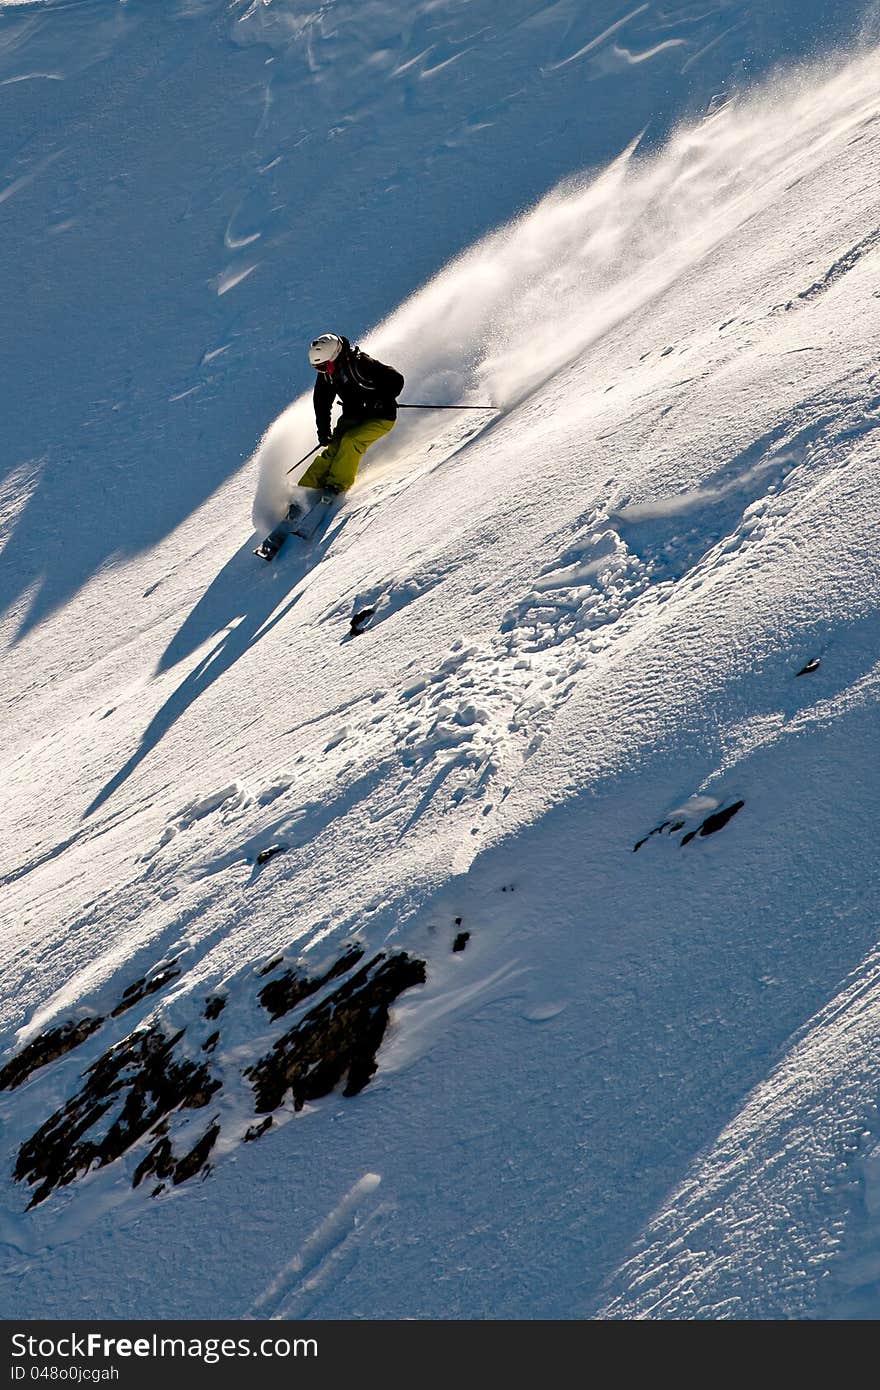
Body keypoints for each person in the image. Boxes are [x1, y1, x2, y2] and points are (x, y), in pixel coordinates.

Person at [300, 333, 404, 494]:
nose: (322, 371)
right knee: (334, 448)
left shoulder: (361, 363)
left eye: (323, 366)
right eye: (318, 368)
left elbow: (396, 379)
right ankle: (306, 488)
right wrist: (323, 431)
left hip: (380, 417)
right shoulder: (326, 376)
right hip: (353, 415)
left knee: (351, 441)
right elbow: (321, 403)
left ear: (334, 356)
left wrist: (382, 399)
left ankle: (337, 485)